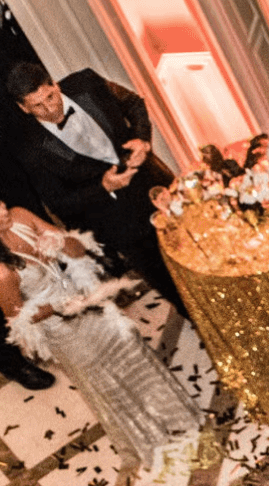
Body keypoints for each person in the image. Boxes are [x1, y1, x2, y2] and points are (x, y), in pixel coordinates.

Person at [0, 198, 201, 465]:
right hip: (62, 328)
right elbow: (19, 317)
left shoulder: (20, 215)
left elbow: (77, 249)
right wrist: (59, 306)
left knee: (132, 351)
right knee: (105, 377)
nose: (3, 211)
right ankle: (150, 438)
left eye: (0, 203)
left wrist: (60, 241)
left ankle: (177, 416)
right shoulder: (1, 274)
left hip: (87, 298)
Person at [6, 63, 182, 308]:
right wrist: (103, 187)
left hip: (155, 185)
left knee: (202, 248)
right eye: (38, 105)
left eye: (51, 96)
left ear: (55, 84)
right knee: (169, 283)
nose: (50, 107)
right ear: (23, 107)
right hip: (120, 223)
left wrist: (142, 140)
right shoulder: (31, 152)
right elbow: (60, 204)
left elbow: (133, 103)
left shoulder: (87, 82)